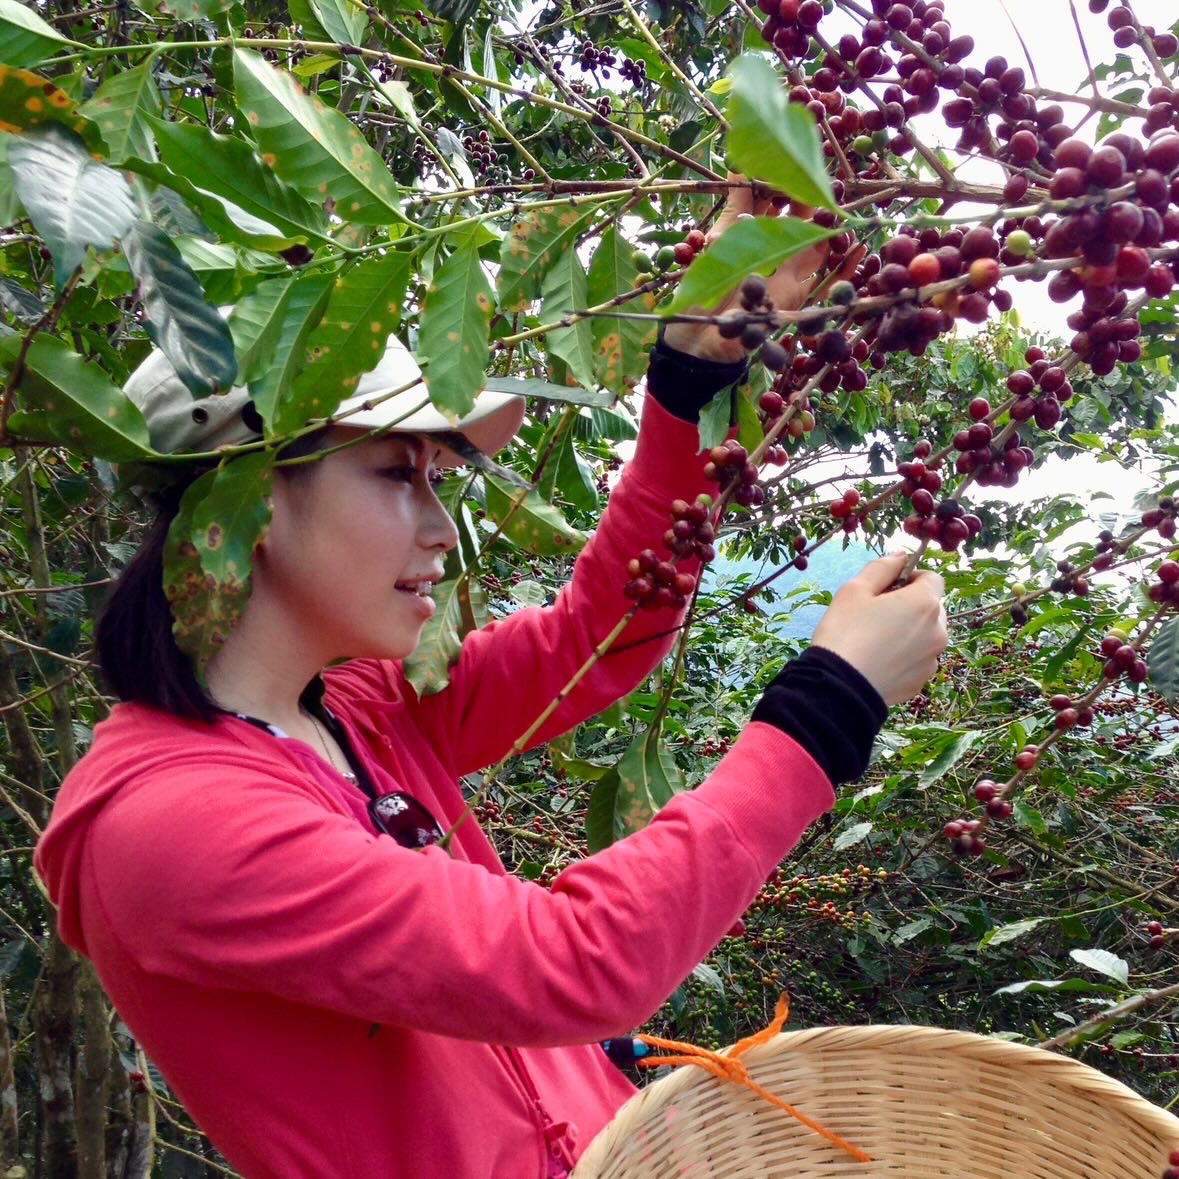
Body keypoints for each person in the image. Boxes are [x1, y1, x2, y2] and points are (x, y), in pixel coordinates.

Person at [33, 186, 948, 1179]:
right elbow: (576, 963)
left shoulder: (356, 708)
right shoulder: (172, 824)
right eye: (398, 474)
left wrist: (689, 377)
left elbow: (599, 638)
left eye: (437, 478)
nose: (441, 528)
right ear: (243, 500)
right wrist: (825, 711)